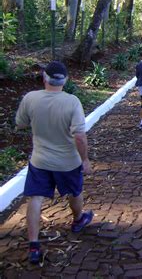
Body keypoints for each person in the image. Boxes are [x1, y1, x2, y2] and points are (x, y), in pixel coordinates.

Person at [15, 61, 93, 264]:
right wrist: (85, 159)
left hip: (39, 160)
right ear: (65, 80)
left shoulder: (31, 98)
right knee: (75, 192)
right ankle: (77, 220)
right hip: (68, 162)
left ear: (44, 77)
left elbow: (20, 123)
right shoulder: (72, 101)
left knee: (35, 198)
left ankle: (33, 245)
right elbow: (80, 136)